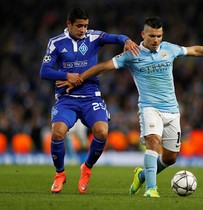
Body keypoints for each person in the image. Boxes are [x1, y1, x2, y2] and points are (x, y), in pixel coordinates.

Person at [58, 16, 203, 197]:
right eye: (152, 36)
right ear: (143, 34)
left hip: (172, 110)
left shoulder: (169, 49)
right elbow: (103, 66)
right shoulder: (132, 54)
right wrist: (79, 79)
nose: (156, 40)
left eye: (159, 36)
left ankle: (141, 175)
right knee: (153, 141)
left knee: (170, 158)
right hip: (149, 108)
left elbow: (196, 51)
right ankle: (151, 190)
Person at [39, 7, 139, 194]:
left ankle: (86, 168)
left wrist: (126, 39)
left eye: (85, 25)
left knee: (102, 131)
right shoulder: (56, 43)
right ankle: (60, 174)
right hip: (67, 98)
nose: (83, 29)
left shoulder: (94, 37)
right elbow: (44, 71)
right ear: (68, 24)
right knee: (57, 132)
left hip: (90, 97)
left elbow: (115, 37)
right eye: (79, 26)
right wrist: (66, 75)